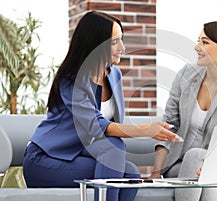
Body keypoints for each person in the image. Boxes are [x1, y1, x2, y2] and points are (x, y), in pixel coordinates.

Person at [23, 11, 180, 201]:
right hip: (46, 160)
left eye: (122, 39)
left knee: (130, 172)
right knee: (114, 148)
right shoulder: (71, 80)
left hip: (83, 155)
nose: (122, 47)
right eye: (114, 42)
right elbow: (96, 126)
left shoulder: (114, 75)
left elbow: (108, 133)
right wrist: (145, 130)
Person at [150, 21, 217, 201]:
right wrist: (156, 172)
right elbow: (169, 126)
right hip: (178, 166)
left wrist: (209, 166)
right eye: (199, 41)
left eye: (205, 42)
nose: (197, 47)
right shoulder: (186, 75)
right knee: (197, 164)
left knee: (199, 161)